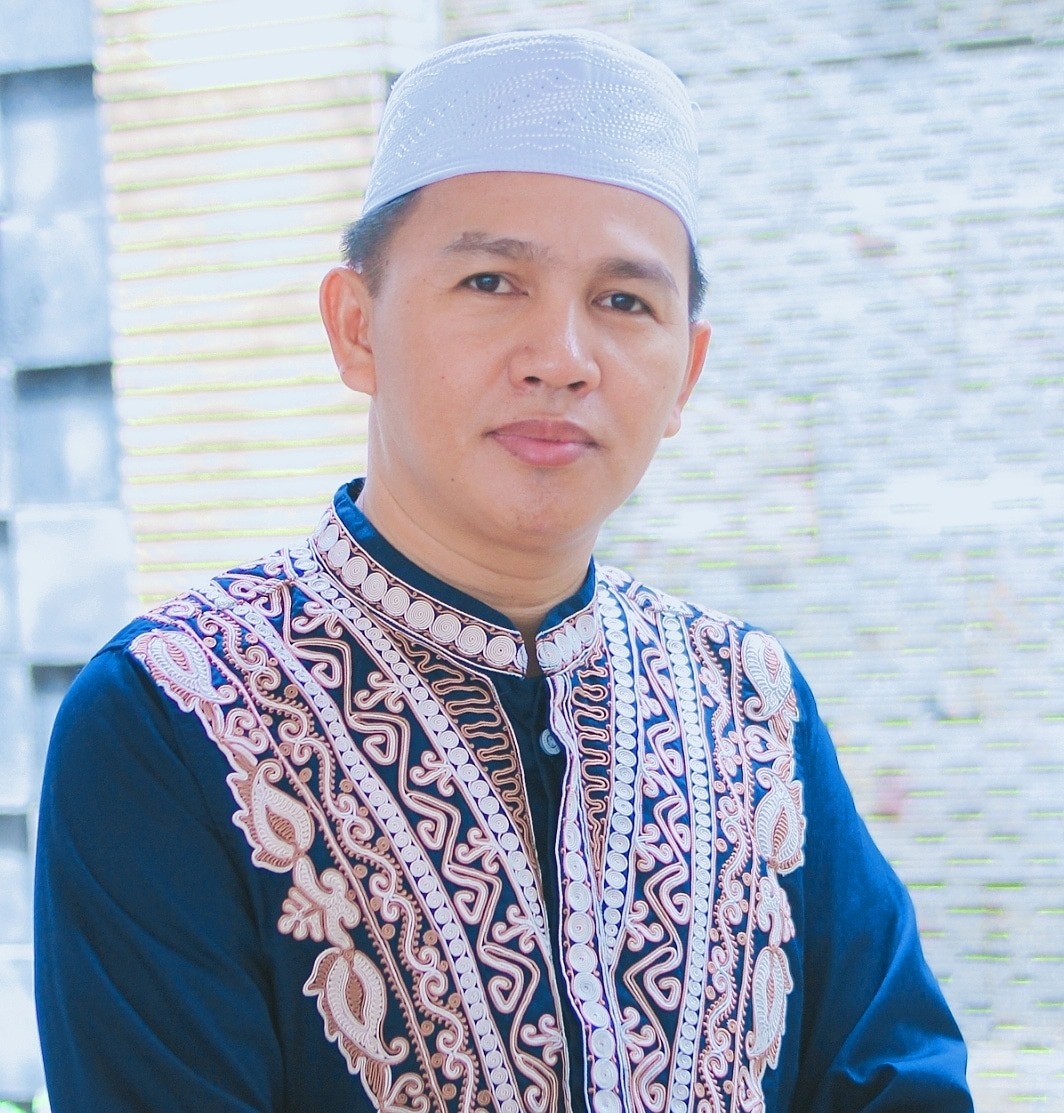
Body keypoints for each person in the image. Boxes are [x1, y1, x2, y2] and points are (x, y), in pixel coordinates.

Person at [34, 29, 974, 1113]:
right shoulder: (178, 716)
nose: (561, 359)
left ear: (685, 373)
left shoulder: (749, 709)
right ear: (356, 327)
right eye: (491, 280)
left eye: (624, 302)